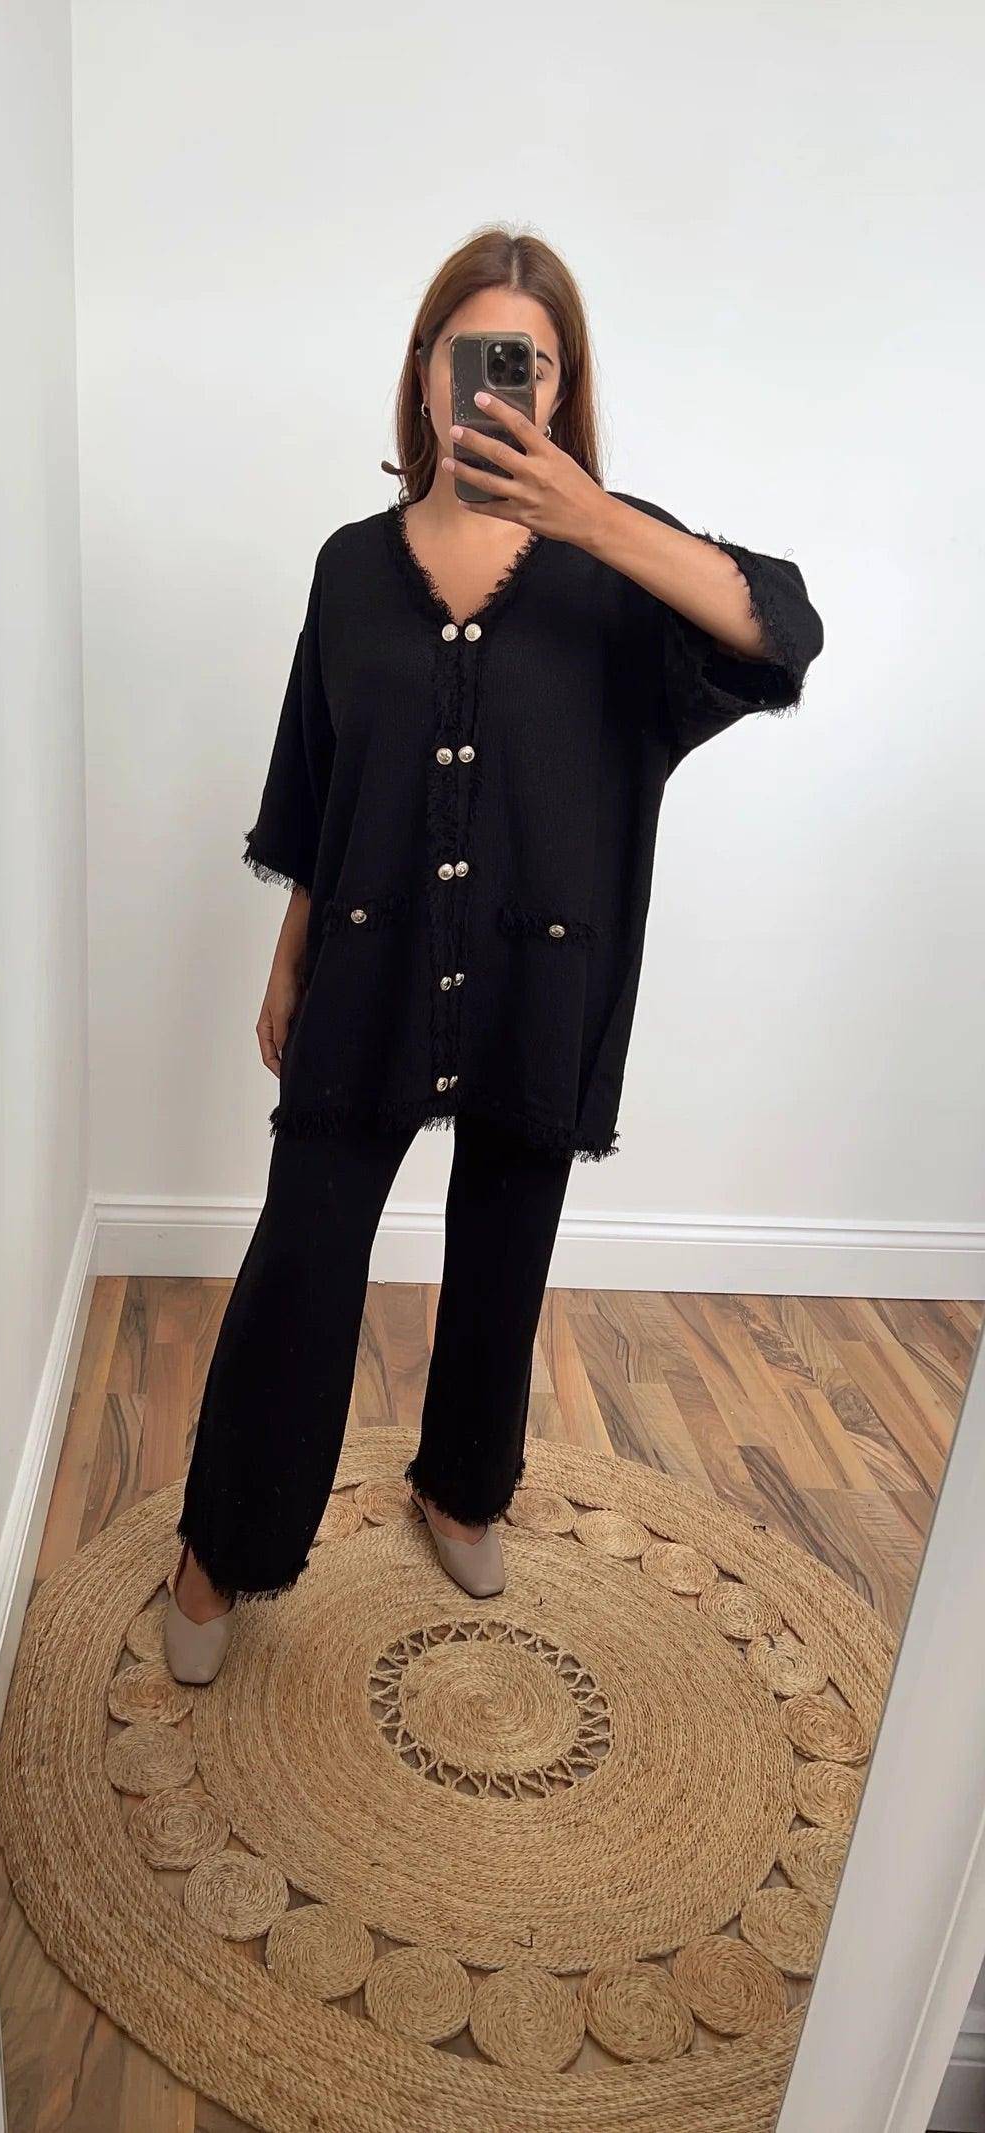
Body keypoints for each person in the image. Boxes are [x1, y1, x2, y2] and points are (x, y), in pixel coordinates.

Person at [164, 225, 824, 1684]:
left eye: (529, 360)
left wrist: (595, 518)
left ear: (564, 386)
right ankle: (224, 1543)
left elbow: (783, 629)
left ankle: (463, 1486)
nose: (496, 381)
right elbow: (319, 781)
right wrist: (289, 955)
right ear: (423, 374)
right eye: (470, 354)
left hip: (542, 969)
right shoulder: (350, 569)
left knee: (506, 1245)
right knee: (303, 1257)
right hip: (369, 958)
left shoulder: (618, 569)